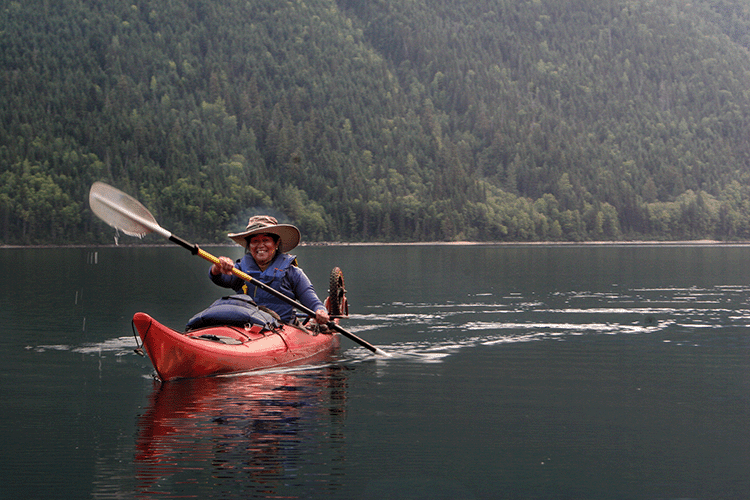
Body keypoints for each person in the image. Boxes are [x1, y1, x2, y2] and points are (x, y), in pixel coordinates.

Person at [209, 215, 331, 327]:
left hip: (282, 329)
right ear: (249, 245)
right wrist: (217, 267)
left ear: (276, 243)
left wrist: (320, 311)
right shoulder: (240, 269)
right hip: (247, 328)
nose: (260, 246)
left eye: (266, 240)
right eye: (255, 241)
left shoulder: (293, 273)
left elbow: (313, 302)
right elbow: (220, 278)